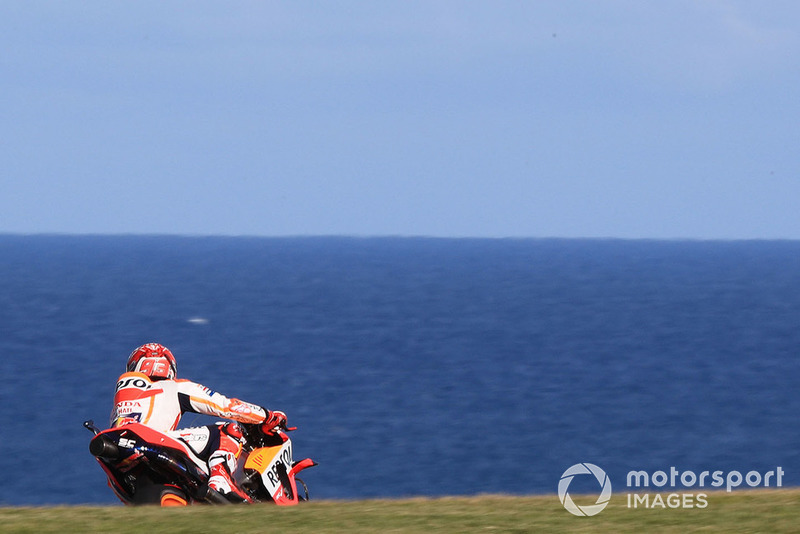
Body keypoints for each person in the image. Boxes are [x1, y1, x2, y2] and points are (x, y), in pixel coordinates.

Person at [110, 342, 286, 503]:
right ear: (169, 368)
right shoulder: (176, 387)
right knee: (228, 428)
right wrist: (267, 416)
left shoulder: (124, 394)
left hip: (118, 446)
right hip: (154, 440)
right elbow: (227, 406)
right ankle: (220, 480)